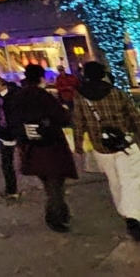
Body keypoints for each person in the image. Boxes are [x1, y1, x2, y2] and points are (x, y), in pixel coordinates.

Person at [72, 61, 140, 241]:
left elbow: (79, 121)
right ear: (103, 73)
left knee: (115, 182)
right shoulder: (117, 92)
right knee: (132, 181)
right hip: (126, 143)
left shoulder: (80, 96)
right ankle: (135, 215)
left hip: (101, 147)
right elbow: (134, 116)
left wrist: (78, 145)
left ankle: (127, 217)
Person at [9, 63, 77, 232]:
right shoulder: (44, 96)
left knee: (48, 181)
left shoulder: (18, 96)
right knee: (55, 181)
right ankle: (56, 216)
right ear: (41, 77)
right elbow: (62, 118)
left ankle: (60, 212)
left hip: (30, 147)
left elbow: (13, 121)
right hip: (50, 144)